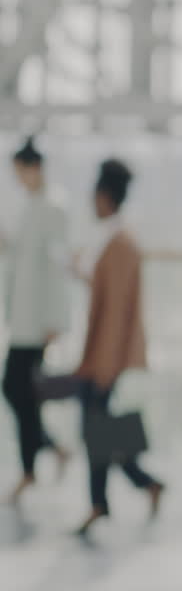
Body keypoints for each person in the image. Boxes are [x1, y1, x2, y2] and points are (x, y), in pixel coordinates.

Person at [69, 158, 164, 536]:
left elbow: (117, 312)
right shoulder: (114, 239)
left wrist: (103, 363)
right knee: (99, 428)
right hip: (100, 354)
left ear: (105, 197)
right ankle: (141, 486)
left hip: (105, 357)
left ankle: (105, 501)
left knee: (95, 427)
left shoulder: (121, 242)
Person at [2, 136, 72, 504]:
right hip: (23, 318)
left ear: (34, 168)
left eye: (19, 172)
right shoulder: (30, 207)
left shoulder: (52, 208)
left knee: (16, 389)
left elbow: (56, 268)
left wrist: (55, 321)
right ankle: (50, 452)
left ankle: (34, 467)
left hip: (37, 323)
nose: (18, 180)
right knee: (20, 392)